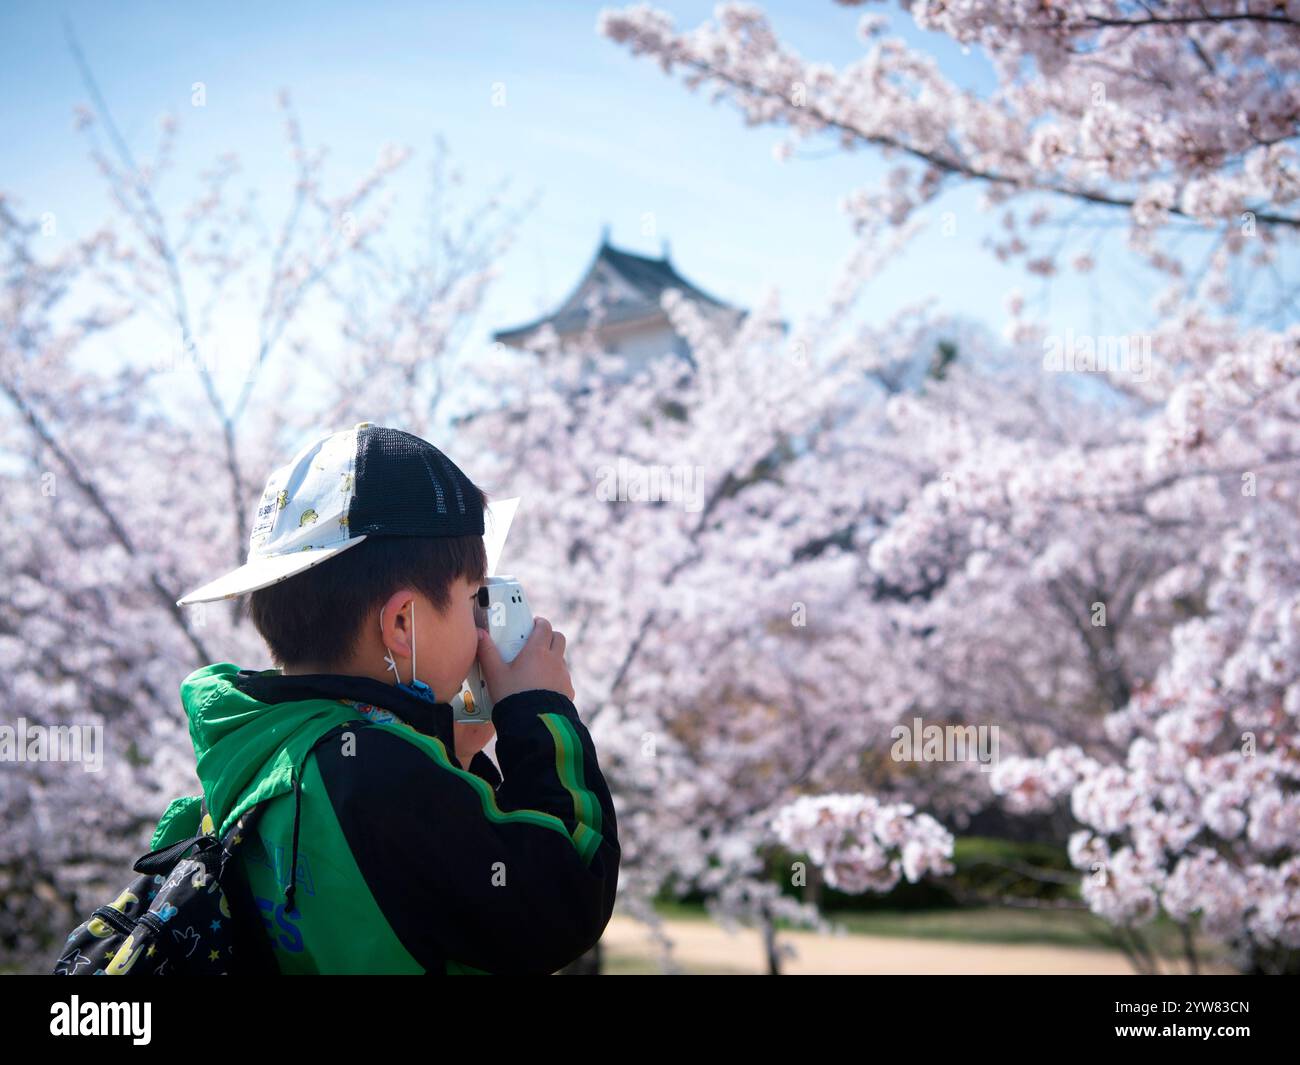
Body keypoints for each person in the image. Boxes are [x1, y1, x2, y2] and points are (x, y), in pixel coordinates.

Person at [149, 422, 619, 974]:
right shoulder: (377, 773)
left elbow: (405, 885)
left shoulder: (258, 750)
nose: (480, 628)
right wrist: (542, 714)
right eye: (472, 600)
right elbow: (562, 897)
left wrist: (451, 762)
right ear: (402, 622)